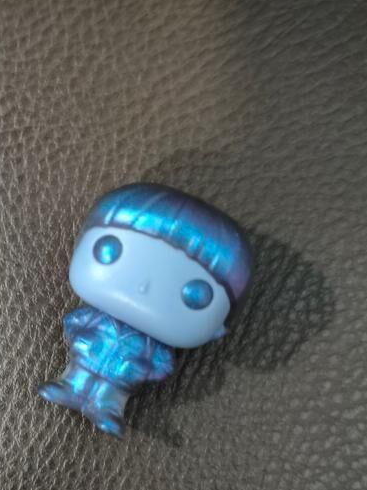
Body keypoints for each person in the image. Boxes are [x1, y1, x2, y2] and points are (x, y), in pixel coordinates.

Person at [39, 183, 253, 436]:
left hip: (125, 372)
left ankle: (107, 408)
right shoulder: (100, 319)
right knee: (81, 375)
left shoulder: (153, 346)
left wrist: (143, 367)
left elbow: (162, 364)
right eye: (111, 250)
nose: (144, 286)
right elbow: (75, 321)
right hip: (90, 354)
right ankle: (70, 387)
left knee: (113, 391)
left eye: (195, 295)